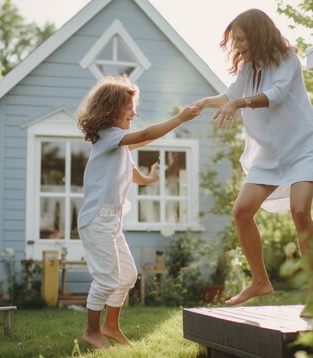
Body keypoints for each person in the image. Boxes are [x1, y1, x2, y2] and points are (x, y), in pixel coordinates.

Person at [193, 9, 313, 316]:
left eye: (241, 39)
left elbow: (277, 94)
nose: (237, 46)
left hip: (302, 146)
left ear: (257, 34)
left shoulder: (288, 60)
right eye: (235, 40)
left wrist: (237, 103)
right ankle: (260, 281)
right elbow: (231, 94)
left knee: (300, 211)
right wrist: (206, 102)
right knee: (241, 212)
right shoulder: (247, 67)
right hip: (270, 152)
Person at [76, 75, 200, 348]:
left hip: (111, 221)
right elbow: (144, 135)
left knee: (128, 275)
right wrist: (179, 119)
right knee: (107, 278)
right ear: (110, 109)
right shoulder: (108, 137)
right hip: (97, 219)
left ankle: (110, 326)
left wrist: (151, 178)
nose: (134, 112)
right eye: (129, 107)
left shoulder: (119, 145)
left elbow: (135, 171)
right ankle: (91, 331)